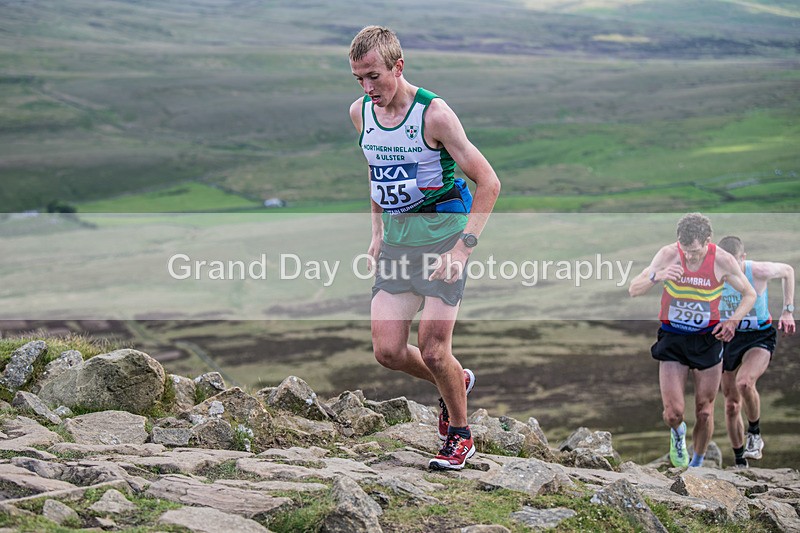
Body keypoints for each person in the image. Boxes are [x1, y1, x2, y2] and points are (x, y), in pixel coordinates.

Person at [348, 26, 501, 470]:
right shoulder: (360, 113)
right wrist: (376, 233)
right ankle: (457, 379)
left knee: (434, 348)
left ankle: (460, 433)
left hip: (443, 240)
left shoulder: (434, 115)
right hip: (398, 241)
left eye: (374, 76)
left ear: (399, 66)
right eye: (358, 78)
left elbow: (489, 182)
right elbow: (379, 174)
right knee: (388, 351)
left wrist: (463, 250)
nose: (367, 87)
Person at [629, 213, 756, 468]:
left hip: (708, 340)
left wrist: (732, 322)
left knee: (704, 410)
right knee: (673, 413)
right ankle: (677, 434)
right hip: (673, 338)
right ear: (679, 242)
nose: (689, 256)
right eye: (685, 250)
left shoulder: (722, 260)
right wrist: (659, 275)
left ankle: (696, 464)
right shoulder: (667, 254)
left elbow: (749, 294)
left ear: (708, 242)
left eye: (695, 251)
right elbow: (634, 288)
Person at [717, 236, 795, 467]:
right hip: (727, 338)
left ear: (744, 257)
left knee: (745, 383)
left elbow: (788, 271)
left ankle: (755, 434)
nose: (729, 268)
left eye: (734, 263)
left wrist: (788, 310)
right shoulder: (715, 275)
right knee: (731, 405)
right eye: (724, 263)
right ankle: (740, 460)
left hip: (758, 336)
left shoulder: (758, 270)